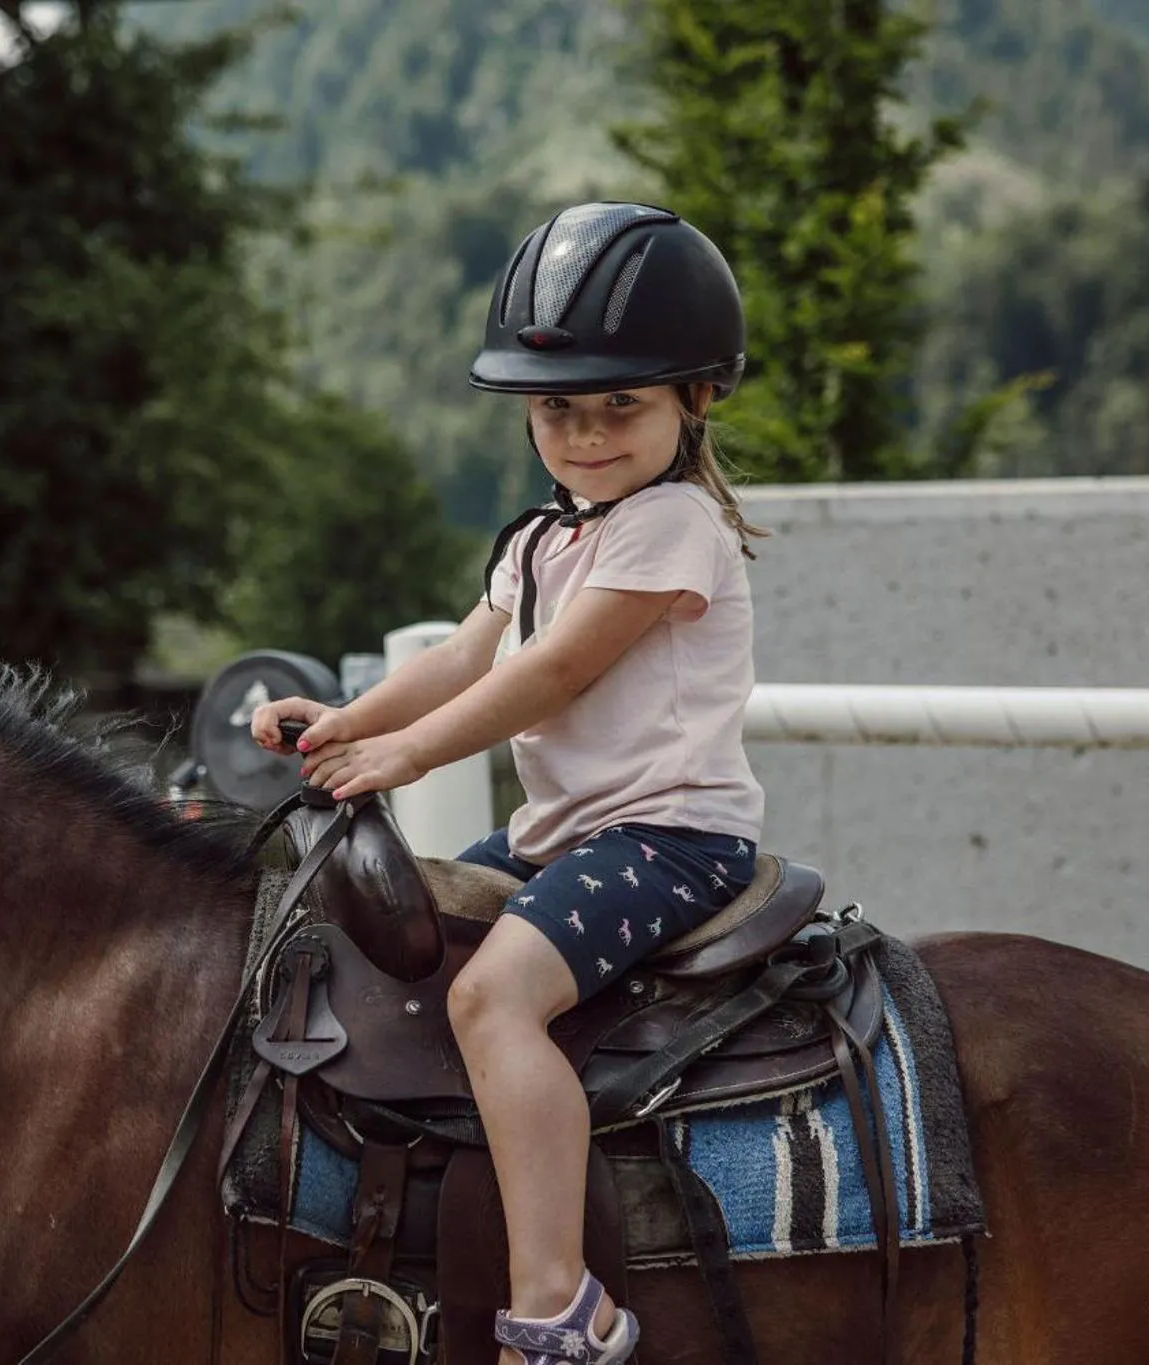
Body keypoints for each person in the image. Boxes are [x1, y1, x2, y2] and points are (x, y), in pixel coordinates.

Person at [253, 202, 767, 1365]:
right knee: (389, 950)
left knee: (493, 1000)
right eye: (555, 410)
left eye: (617, 407)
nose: (584, 437)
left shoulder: (671, 527)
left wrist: (411, 756)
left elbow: (552, 672)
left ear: (697, 398)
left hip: (667, 837)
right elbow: (458, 655)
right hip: (558, 836)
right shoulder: (543, 538)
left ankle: (558, 1304)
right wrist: (345, 723)